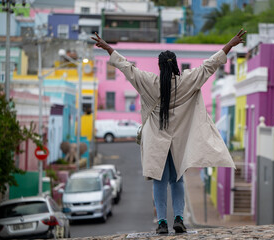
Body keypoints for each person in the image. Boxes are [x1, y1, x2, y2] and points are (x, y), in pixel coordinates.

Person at [91, 30, 246, 234]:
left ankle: (162, 223)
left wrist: (109, 48)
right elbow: (209, 66)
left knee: (159, 181)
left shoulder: (149, 82)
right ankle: (179, 218)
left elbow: (127, 68)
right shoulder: (186, 82)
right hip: (179, 143)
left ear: (159, 66)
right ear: (175, 66)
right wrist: (229, 44)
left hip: (156, 142)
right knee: (177, 180)